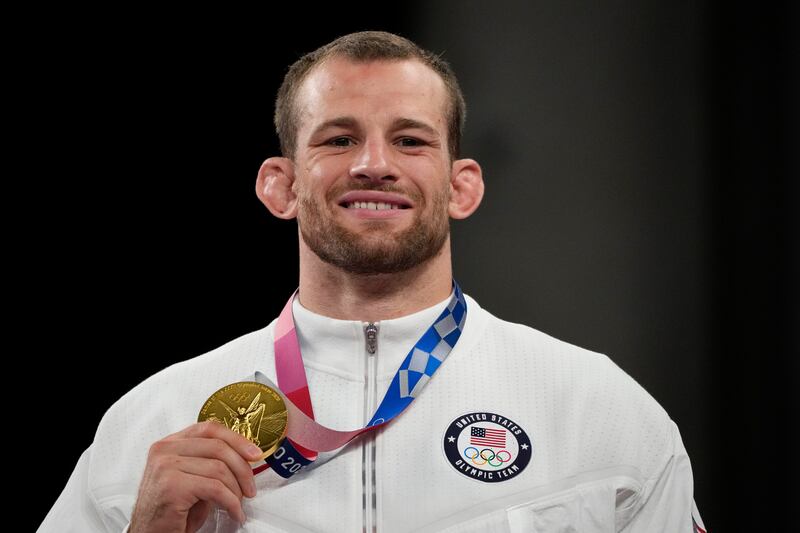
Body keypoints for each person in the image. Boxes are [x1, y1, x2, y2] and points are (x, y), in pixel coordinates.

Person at [40, 31, 706, 533]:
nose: (373, 164)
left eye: (411, 141)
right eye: (338, 139)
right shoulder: (154, 421)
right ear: (281, 185)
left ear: (461, 186)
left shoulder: (597, 409)